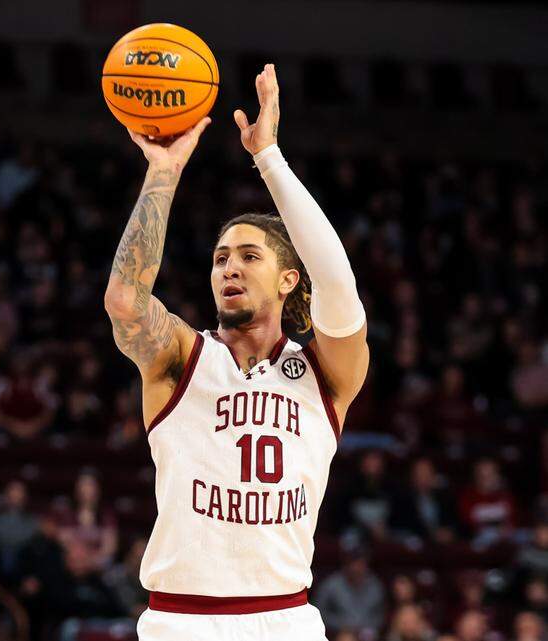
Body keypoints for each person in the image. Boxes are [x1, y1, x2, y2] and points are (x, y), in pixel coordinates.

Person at [103, 65, 368, 640]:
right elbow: (125, 302)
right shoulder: (180, 357)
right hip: (181, 622)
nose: (229, 267)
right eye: (221, 257)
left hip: (286, 620)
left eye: (249, 256)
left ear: (289, 280)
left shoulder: (323, 373)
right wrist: (164, 171)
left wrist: (268, 157)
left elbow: (341, 290)